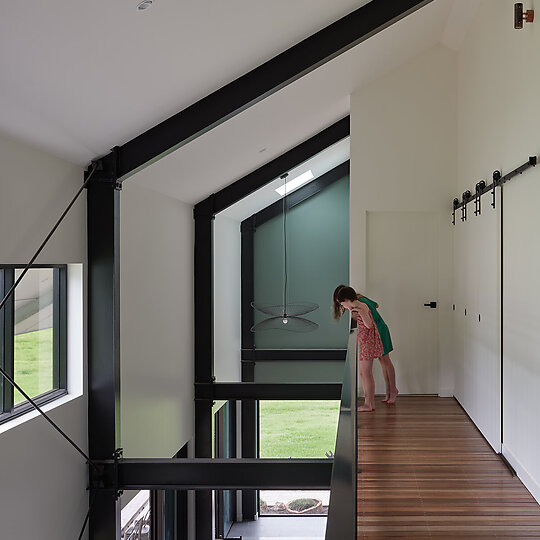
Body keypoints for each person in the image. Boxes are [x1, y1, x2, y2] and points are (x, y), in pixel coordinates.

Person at [333, 285, 398, 411]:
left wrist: (362, 312)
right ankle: (387, 393)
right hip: (371, 335)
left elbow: (368, 324)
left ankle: (389, 392)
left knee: (383, 362)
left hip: (377, 333)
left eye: (341, 303)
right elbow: (376, 305)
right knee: (376, 365)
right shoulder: (359, 302)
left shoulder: (360, 304)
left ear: (345, 298)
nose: (342, 307)